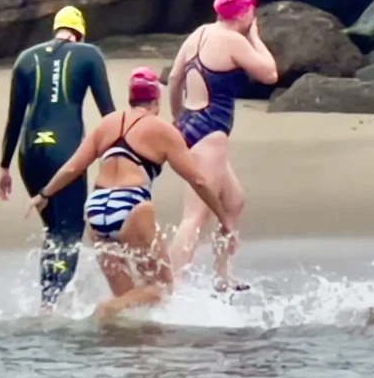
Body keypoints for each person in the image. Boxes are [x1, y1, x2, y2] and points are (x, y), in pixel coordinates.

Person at [24, 67, 231, 321]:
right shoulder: (163, 130)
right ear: (156, 101)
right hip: (130, 204)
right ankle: (105, 310)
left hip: (97, 208)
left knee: (130, 302)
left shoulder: (106, 124)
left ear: (131, 97)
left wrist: (44, 193)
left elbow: (73, 167)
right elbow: (198, 180)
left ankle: (131, 350)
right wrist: (223, 218)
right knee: (161, 288)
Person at [0, 5, 116, 309]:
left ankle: (46, 301)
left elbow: (14, 119)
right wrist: (122, 150)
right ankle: (51, 306)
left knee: (54, 229)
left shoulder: (26, 58)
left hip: (29, 154)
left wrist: (4, 167)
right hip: (65, 151)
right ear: (79, 33)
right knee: (71, 230)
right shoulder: (89, 54)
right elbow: (108, 112)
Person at [165, 0, 279, 291]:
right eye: (251, 10)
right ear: (243, 13)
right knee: (195, 216)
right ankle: (170, 287)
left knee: (234, 200)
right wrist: (253, 36)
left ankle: (223, 276)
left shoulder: (198, 33)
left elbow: (174, 79)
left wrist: (177, 117)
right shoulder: (231, 40)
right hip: (211, 130)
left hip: (191, 123)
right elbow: (270, 73)